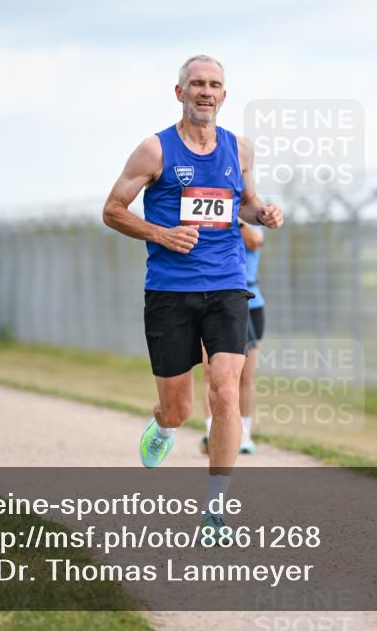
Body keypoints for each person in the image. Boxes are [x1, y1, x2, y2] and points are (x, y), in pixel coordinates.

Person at [102, 55, 283, 534]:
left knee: (224, 390)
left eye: (215, 84)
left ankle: (215, 509)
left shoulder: (240, 149)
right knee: (179, 407)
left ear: (225, 95)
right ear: (179, 92)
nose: (206, 91)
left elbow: (242, 203)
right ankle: (163, 426)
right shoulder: (153, 150)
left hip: (227, 283)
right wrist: (162, 234)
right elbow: (112, 210)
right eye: (197, 84)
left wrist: (261, 212)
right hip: (169, 290)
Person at [201, 220, 265, 456]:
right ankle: (212, 431)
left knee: (246, 374)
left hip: (252, 300)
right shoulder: (205, 208)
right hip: (215, 298)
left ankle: (244, 432)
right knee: (212, 371)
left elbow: (255, 241)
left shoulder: (248, 212)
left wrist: (233, 216)